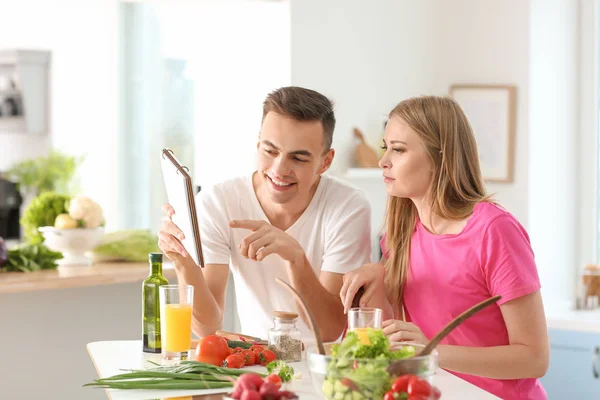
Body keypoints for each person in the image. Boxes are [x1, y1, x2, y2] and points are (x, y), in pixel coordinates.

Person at [339, 96, 549, 399]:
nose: (383, 161)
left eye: (398, 149)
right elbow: (400, 345)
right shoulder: (400, 234)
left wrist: (431, 349)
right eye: (386, 148)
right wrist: (376, 282)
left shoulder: (494, 231)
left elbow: (534, 358)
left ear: (441, 157)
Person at [159, 86, 371, 343]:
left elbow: (329, 330)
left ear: (325, 162)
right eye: (270, 152)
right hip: (255, 362)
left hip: (326, 367)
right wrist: (183, 261)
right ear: (258, 144)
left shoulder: (348, 206)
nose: (279, 169)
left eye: (298, 158)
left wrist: (295, 258)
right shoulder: (219, 201)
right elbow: (207, 328)